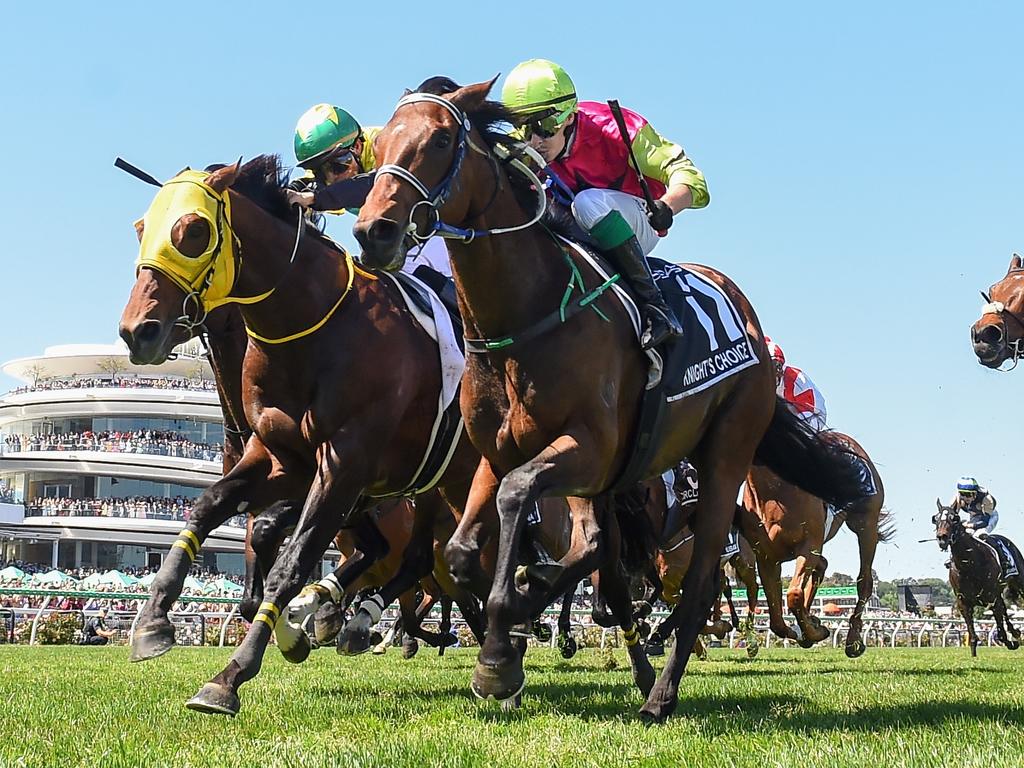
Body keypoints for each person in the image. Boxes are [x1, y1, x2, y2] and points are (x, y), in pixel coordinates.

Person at [501, 58, 709, 350]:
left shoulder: (615, 128)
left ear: (569, 116)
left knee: (589, 203)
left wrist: (668, 206)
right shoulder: (523, 145)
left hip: (637, 221)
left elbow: (690, 176)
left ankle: (656, 307)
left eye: (545, 126)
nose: (534, 141)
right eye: (523, 128)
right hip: (574, 226)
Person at [285, 101, 451, 280]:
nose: (331, 179)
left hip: (441, 226)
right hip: (400, 230)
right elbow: (304, 185)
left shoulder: (386, 147)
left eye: (338, 166)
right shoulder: (333, 164)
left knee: (412, 270)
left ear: (357, 147)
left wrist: (315, 198)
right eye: (320, 171)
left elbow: (369, 185)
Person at [765, 336, 827, 432]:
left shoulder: (797, 379)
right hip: (788, 417)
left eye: (779, 365)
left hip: (812, 415)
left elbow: (809, 411)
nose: (777, 371)